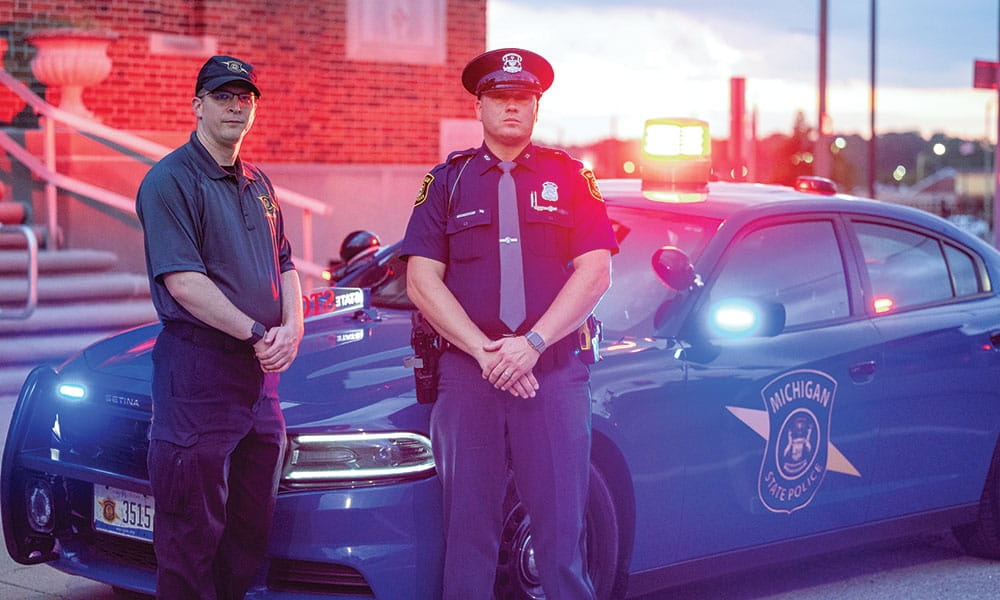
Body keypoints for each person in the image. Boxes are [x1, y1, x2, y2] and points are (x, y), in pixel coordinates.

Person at [401, 48, 618, 599]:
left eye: (523, 98)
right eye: (500, 97)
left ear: (537, 107)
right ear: (480, 106)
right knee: (468, 536)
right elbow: (422, 281)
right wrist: (487, 353)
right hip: (469, 380)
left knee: (562, 541)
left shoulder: (570, 177)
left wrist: (533, 344)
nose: (512, 108)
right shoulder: (446, 183)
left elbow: (595, 272)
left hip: (553, 376)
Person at [135, 54, 304, 600]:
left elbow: (286, 263)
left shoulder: (258, 181)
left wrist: (293, 327)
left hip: (259, 383)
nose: (237, 105)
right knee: (190, 537)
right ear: (198, 105)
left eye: (246, 97)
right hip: (198, 374)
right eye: (224, 95)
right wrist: (260, 333)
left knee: (249, 533)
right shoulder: (170, 180)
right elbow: (184, 282)